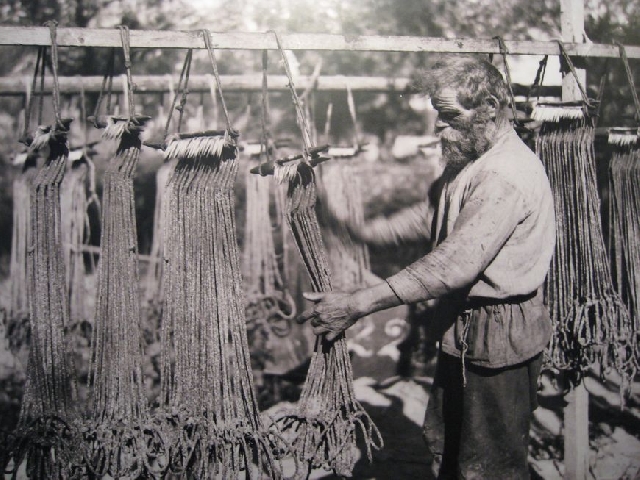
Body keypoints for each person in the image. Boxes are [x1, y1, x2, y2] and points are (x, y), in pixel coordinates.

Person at [296, 55, 556, 479]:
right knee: (452, 450)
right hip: (466, 330)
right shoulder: (472, 163)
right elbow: (429, 213)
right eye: (438, 115)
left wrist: (358, 303)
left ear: (489, 107)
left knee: (489, 466)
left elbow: (452, 266)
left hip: (499, 336)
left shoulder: (503, 175)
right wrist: (361, 231)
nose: (438, 127)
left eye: (450, 116)